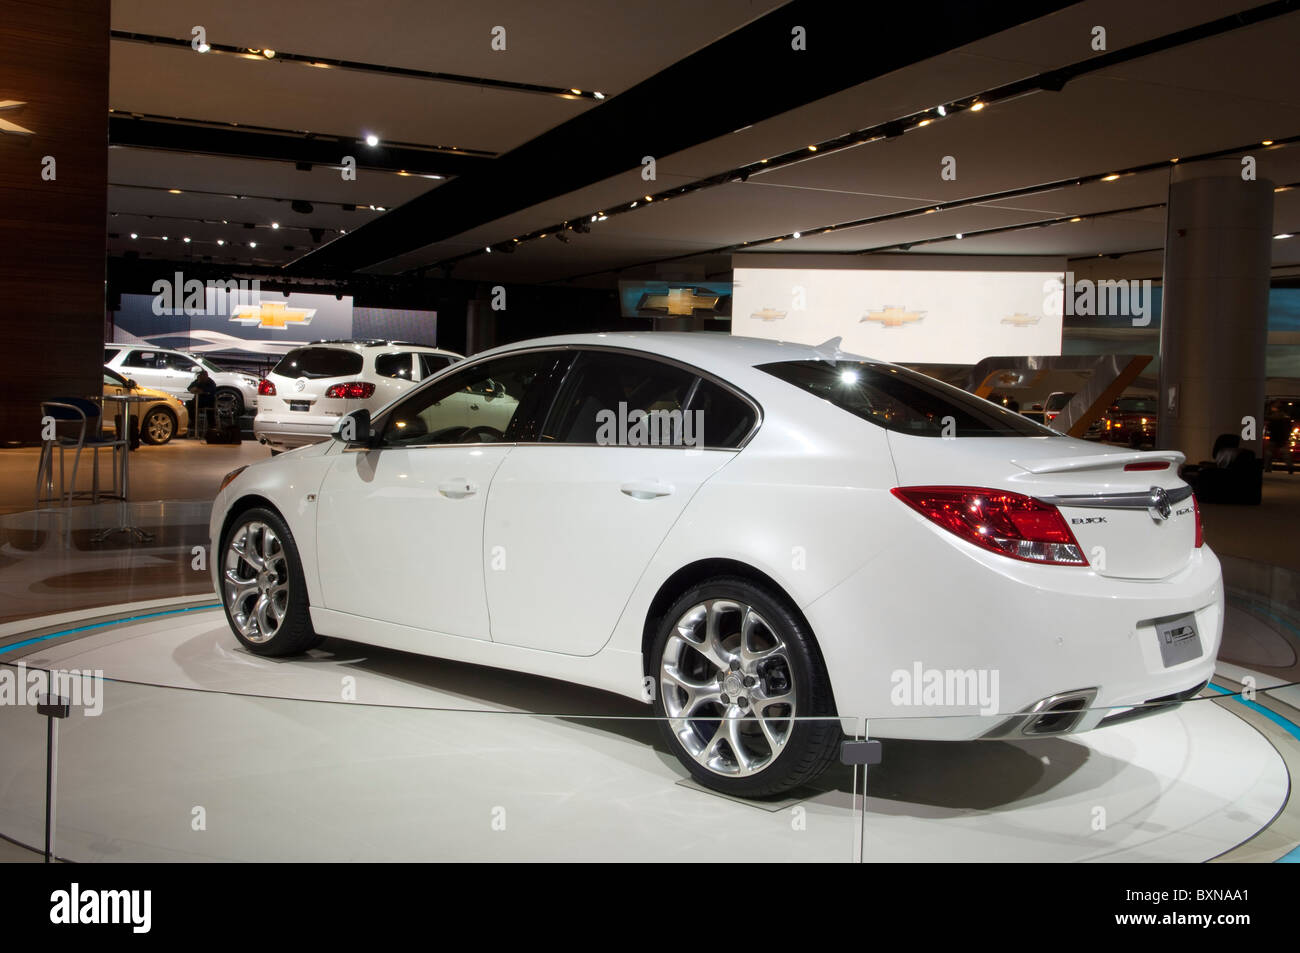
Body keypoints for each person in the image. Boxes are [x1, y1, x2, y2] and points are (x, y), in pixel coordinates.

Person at [187, 368, 216, 436]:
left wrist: (201, 390)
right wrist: (197, 384)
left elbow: (210, 391)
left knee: (210, 411)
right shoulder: (198, 381)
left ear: (206, 376)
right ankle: (194, 421)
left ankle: (211, 426)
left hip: (207, 401)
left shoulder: (211, 382)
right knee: (188, 404)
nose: (201, 377)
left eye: (203, 376)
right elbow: (189, 388)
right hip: (197, 400)